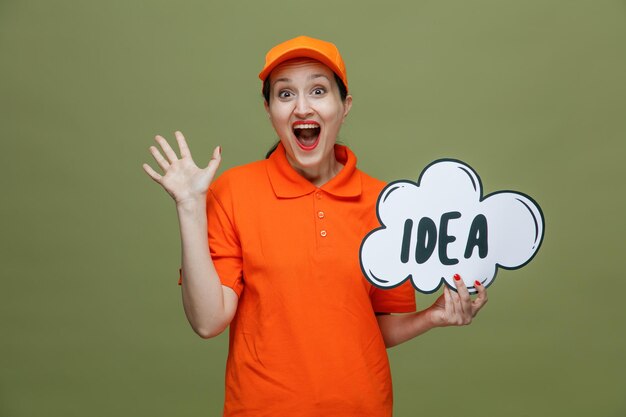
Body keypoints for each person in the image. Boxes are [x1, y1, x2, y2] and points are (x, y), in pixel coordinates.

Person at [142, 36, 488, 417]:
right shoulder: (233, 192)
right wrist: (191, 207)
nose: (302, 107)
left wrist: (432, 316)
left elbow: (375, 326)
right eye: (285, 94)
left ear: (344, 107)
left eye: (318, 90)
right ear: (269, 109)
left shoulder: (388, 204)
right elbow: (208, 321)